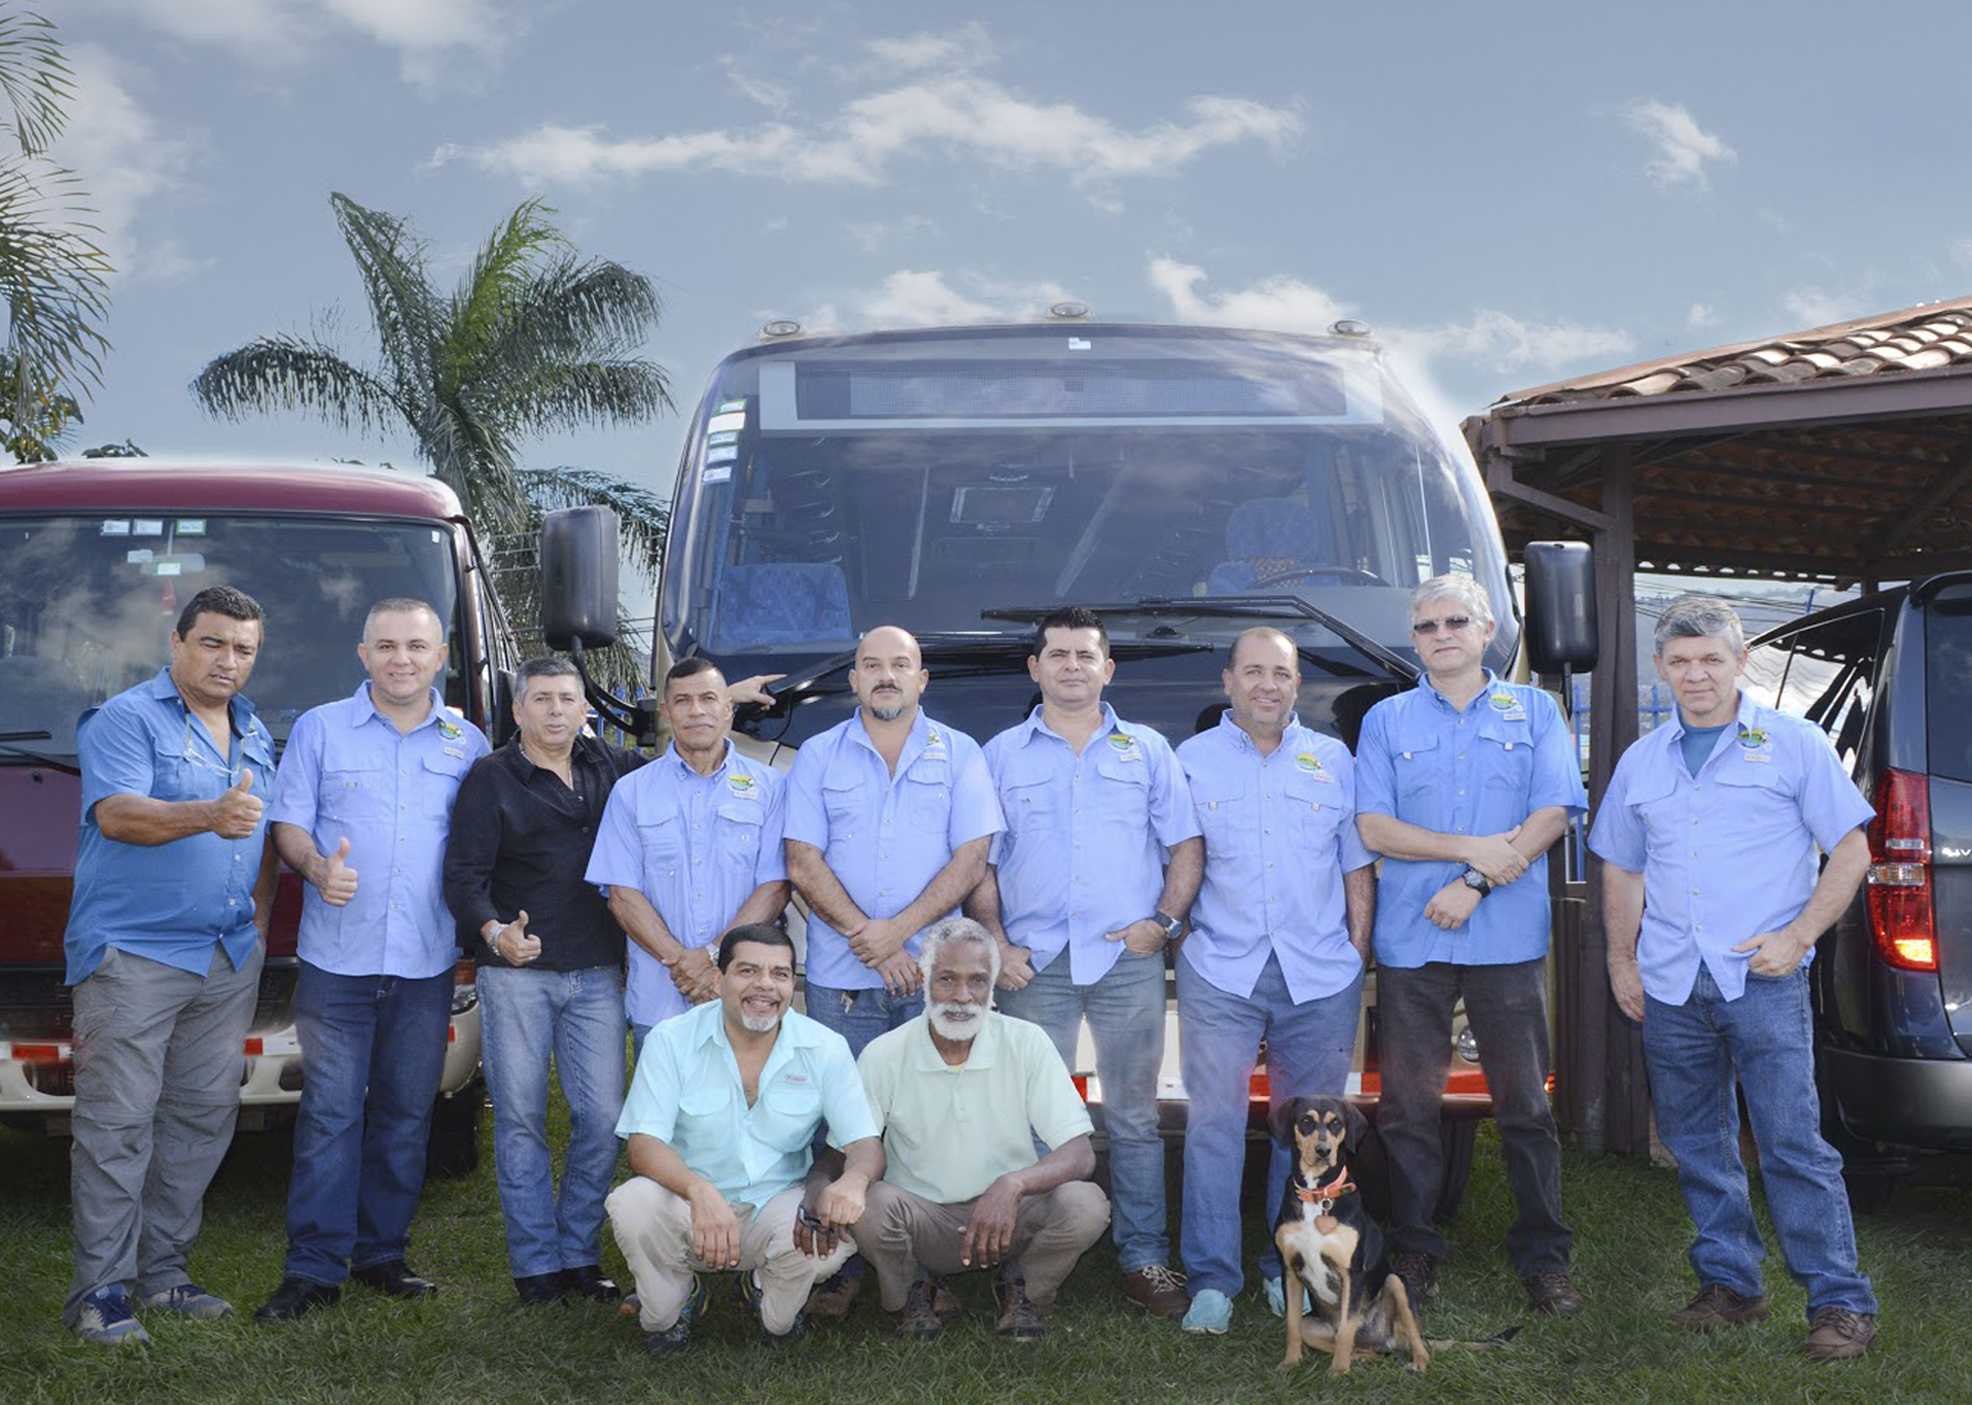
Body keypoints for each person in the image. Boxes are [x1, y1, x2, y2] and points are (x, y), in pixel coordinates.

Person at [1590, 595, 1879, 1362]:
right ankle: (1731, 1284)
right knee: (1698, 1145)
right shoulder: (1643, 761)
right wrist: (1622, 959)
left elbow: (1852, 850)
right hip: (1671, 984)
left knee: (1792, 1143)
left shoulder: (1793, 744)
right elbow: (1622, 867)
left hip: (1763, 980)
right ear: (1661, 667)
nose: (1697, 675)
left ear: (1739, 660)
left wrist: (1799, 935)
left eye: (1711, 659)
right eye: (1681, 661)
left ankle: (1840, 1301)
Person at [1352, 574, 1587, 1316]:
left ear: (1488, 631)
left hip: (1506, 941)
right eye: (1427, 626)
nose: (1442, 635)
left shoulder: (1536, 710)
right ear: (1414, 639)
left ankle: (1544, 1257)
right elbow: (1374, 827)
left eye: (1457, 621)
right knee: (1407, 1107)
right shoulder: (1385, 720)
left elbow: (1553, 813)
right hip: (1412, 943)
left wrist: (1475, 883)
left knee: (1525, 1107)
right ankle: (1415, 1247)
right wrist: (1472, 849)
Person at [256, 598, 490, 1322]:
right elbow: (288, 824)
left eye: (416, 647)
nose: (401, 659)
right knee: (330, 1113)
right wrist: (315, 867)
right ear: (363, 655)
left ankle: (382, 1252)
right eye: (386, 646)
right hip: (338, 961)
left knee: (405, 1112)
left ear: (440, 656)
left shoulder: (467, 743)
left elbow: (482, 845)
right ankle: (313, 1268)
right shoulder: (321, 729)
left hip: (426, 960)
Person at [60, 586, 278, 1345]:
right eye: (212, 643)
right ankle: (100, 1291)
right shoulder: (126, 719)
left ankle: (165, 1275)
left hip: (225, 958)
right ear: (177, 642)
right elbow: (118, 814)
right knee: (117, 1123)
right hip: (135, 955)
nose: (228, 661)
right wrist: (208, 815)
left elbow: (262, 839)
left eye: (243, 649)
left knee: (199, 1119)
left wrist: (257, 921)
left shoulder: (253, 731)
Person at [969, 606, 1200, 1320]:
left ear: (1108, 668)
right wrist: (998, 944)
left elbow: (1185, 846)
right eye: (1058, 655)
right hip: (1033, 966)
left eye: (1085, 655)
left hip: (1125, 961)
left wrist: (1162, 923)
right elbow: (980, 862)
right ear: (1034, 668)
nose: (1072, 666)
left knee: (1134, 1118)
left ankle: (1143, 1258)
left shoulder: (1148, 751)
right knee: (1029, 1121)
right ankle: (1024, 1263)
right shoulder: (1000, 755)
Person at [783, 625, 1004, 1314]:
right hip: (842, 978)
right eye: (872, 665)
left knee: (931, 1123)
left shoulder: (960, 754)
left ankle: (927, 1265)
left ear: (921, 678)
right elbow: (802, 861)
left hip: (932, 978)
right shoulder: (817, 755)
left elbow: (971, 860)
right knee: (842, 1121)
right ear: (853, 679)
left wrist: (898, 936)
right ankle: (842, 1262)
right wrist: (871, 940)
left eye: (900, 664)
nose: (886, 675)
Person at [1172, 626, 1376, 1336]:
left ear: (1297, 684)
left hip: (1318, 974)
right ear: (1228, 681)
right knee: (1215, 1125)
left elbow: (1355, 864)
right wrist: (1185, 939)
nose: (1267, 684)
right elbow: (1174, 857)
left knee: (1309, 1137)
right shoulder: (1190, 761)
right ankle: (1212, 1280)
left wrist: (1355, 951)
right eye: (1253, 672)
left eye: (1280, 673)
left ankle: (1284, 1266)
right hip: (1220, 970)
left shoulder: (1333, 760)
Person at [441, 656, 643, 1305]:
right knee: (521, 1119)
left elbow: (684, 760)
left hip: (596, 971)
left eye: (567, 699)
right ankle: (536, 1267)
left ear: (584, 708)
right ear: (518, 709)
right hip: (516, 976)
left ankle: (578, 1252)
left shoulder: (612, 766)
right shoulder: (489, 778)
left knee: (603, 1117)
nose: (556, 710)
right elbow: (462, 878)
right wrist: (495, 931)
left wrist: (734, 700)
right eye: (542, 699)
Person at [605, 924, 882, 1354]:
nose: (765, 985)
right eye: (748, 971)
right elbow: (643, 1145)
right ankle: (681, 1295)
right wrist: (698, 1191)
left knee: (786, 1314)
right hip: (688, 1206)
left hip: (775, 1206)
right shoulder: (670, 1040)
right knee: (631, 1204)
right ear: (719, 980)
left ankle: (762, 1289)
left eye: (780, 974)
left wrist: (853, 1182)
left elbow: (864, 1143)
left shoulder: (824, 1047)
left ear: (791, 985)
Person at [851, 918, 1110, 1343]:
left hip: (1009, 1217)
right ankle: (914, 1292)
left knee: (1086, 1203)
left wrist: (1012, 1185)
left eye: (977, 981)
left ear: (993, 986)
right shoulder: (885, 1053)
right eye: (947, 979)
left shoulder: (1026, 1041)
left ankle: (1022, 1289)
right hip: (924, 1220)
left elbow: (1080, 1153)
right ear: (924, 980)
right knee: (867, 1203)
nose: (962, 996)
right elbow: (854, 1148)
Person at [585, 656, 789, 1062]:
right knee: (662, 1104)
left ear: (728, 708)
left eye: (708, 699)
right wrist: (684, 965)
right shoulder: (631, 792)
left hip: (744, 997)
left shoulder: (770, 788)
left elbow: (775, 886)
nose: (696, 711)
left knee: (748, 1101)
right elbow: (623, 897)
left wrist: (714, 958)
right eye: (683, 701)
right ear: (666, 712)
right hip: (660, 1001)